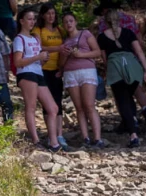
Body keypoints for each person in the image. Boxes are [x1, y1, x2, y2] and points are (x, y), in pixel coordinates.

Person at [97, 7, 146, 148]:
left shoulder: (101, 37)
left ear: (106, 22)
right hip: (132, 67)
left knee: (123, 101)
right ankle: (143, 118)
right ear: (119, 20)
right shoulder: (128, 33)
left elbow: (104, 59)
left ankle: (133, 135)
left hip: (115, 68)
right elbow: (139, 51)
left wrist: (108, 71)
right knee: (131, 95)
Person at [13, 7, 61, 151]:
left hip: (38, 72)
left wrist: (42, 59)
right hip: (26, 73)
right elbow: (17, 62)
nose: (32, 22)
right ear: (21, 21)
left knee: (53, 108)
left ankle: (54, 142)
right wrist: (37, 57)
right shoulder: (19, 39)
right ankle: (35, 140)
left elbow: (37, 59)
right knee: (31, 107)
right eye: (29, 19)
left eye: (33, 19)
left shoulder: (35, 38)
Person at [58, 12, 104, 148]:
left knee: (89, 105)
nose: (69, 24)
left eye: (71, 21)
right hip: (70, 73)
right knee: (79, 107)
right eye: (66, 22)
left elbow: (97, 52)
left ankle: (98, 138)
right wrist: (65, 55)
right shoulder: (64, 41)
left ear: (75, 22)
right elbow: (60, 64)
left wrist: (81, 55)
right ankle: (85, 138)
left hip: (87, 71)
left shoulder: (85, 34)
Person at [33, 3, 67, 147]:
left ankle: (59, 134)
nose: (51, 16)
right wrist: (57, 48)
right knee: (47, 103)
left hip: (57, 69)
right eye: (48, 13)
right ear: (42, 15)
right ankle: (50, 134)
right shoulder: (38, 30)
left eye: (53, 13)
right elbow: (38, 47)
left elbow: (67, 44)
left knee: (58, 101)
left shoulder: (60, 30)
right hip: (43, 69)